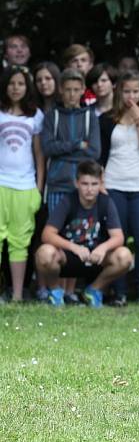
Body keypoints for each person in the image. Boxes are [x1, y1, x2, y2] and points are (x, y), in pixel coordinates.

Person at [35, 161, 132, 307]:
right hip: (68, 257)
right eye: (85, 184)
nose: (89, 189)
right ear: (76, 183)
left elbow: (118, 237)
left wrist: (103, 248)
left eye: (94, 184)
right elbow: (47, 234)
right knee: (44, 253)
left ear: (100, 184)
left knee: (125, 256)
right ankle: (55, 293)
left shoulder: (106, 202)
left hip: (96, 257)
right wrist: (73, 247)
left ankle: (93, 290)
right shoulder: (68, 201)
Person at [100, 71, 139, 305]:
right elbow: (101, 155)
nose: (131, 96)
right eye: (127, 91)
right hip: (113, 185)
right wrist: (102, 183)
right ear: (119, 92)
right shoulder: (106, 119)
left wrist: (138, 119)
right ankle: (119, 292)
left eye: (136, 91)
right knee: (118, 239)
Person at [0, 66, 44, 302]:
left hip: (25, 187)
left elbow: (39, 154)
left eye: (20, 84)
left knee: (20, 241)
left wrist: (38, 188)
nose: (15, 88)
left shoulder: (35, 115)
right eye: (11, 83)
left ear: (27, 88)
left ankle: (17, 295)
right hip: (1, 184)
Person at [41, 69, 100, 213]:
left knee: (80, 230)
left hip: (84, 185)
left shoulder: (90, 116)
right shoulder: (51, 116)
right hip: (58, 184)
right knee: (55, 230)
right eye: (68, 89)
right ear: (61, 89)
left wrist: (60, 152)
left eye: (76, 89)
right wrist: (77, 144)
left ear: (83, 90)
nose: (72, 94)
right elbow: (47, 148)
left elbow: (94, 152)